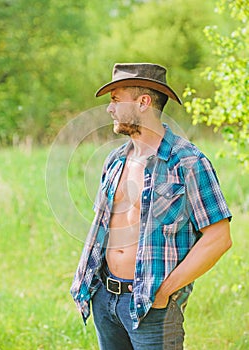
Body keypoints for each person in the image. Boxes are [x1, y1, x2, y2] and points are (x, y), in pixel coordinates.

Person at [70, 63, 232, 349]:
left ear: (143, 102)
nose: (110, 109)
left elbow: (218, 238)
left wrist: (164, 292)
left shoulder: (188, 162)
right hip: (105, 299)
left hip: (152, 306)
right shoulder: (115, 160)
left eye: (116, 100)